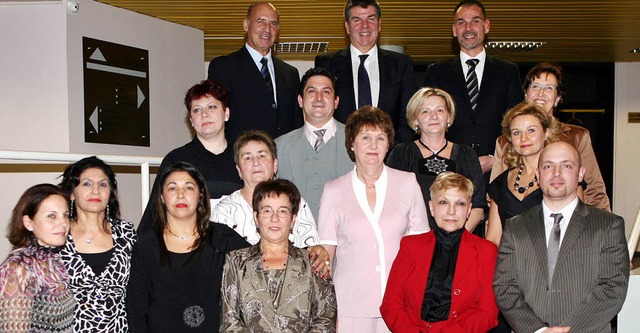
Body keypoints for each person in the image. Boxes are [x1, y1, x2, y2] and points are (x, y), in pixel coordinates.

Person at [493, 141, 629, 333]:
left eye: (566, 165)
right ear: (538, 175)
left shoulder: (608, 225)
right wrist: (538, 330)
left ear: (581, 173)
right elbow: (505, 287)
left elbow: (612, 287)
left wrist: (568, 331)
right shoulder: (515, 227)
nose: (556, 173)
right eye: (548, 166)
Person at [318, 106, 429, 333]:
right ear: (351, 143)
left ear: (388, 144)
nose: (373, 145)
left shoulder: (408, 183)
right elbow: (326, 257)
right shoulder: (333, 190)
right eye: (365, 137)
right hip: (350, 305)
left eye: (380, 138)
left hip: (400, 303)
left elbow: (422, 249)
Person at [127, 161, 250, 332]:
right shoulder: (146, 244)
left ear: (200, 194)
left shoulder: (223, 238)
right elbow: (136, 308)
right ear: (162, 197)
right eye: (172, 188)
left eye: (189, 187)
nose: (180, 194)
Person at [380, 172, 498, 332]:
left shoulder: (486, 251)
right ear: (431, 208)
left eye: (460, 204)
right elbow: (391, 305)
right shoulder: (410, 246)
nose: (451, 211)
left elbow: (487, 313)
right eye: (443, 202)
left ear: (469, 209)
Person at [491, 62, 611, 212]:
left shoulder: (577, 137)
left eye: (548, 88)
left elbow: (594, 190)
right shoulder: (505, 141)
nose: (540, 94)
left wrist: (602, 227)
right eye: (535, 86)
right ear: (526, 94)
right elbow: (496, 196)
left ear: (557, 98)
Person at [220, 179, 337, 331]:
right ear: (256, 217)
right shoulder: (236, 262)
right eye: (267, 211)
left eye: (282, 211)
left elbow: (325, 320)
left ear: (293, 219)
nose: (274, 219)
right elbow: (230, 324)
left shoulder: (314, 261)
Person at [424, 0, 522, 176]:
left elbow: (517, 122)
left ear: (486, 26)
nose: (468, 28)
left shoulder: (508, 71)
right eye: (461, 22)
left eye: (475, 21)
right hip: (449, 172)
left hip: (498, 173)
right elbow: (428, 122)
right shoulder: (437, 72)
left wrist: (497, 159)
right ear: (454, 29)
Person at [138, 79, 242, 232]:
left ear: (226, 113)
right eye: (197, 110)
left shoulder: (244, 158)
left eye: (212, 107)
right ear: (191, 121)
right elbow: (155, 216)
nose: (204, 115)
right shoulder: (176, 160)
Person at [315, 0, 417, 142]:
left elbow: (409, 115)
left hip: (389, 155)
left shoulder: (400, 64)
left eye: (371, 19)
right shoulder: (327, 64)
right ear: (347, 27)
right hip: (341, 153)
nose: (364, 26)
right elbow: (321, 114)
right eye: (357, 20)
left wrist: (396, 152)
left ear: (379, 24)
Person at [387, 87, 485, 231]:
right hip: (414, 241)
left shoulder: (467, 155)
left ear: (449, 117)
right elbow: (391, 204)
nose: (434, 116)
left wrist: (454, 242)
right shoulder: (401, 153)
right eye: (425, 111)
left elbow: (478, 208)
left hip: (459, 242)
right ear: (415, 119)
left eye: (440, 110)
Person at [58, 156, 136, 332]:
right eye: (86, 184)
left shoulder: (126, 232)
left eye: (103, 184)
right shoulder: (58, 235)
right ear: (71, 192)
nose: (96, 190)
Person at [208, 2, 302, 143]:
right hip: (241, 158)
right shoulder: (224, 67)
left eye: (273, 24)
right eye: (261, 21)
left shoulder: (290, 74)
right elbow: (215, 118)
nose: (267, 29)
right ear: (246, 25)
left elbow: (297, 126)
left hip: (283, 160)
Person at [275, 67, 354, 219]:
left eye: (326, 92)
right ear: (300, 100)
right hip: (294, 239)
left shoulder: (357, 141)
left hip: (346, 239)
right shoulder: (279, 147)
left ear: (336, 101)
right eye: (311, 91)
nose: (319, 97)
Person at [0, 184, 75, 332]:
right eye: (52, 216)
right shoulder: (18, 268)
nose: (63, 223)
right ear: (28, 223)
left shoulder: (55, 259)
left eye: (65, 215)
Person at [486, 102, 560, 246]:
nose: (523, 138)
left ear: (546, 133)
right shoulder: (500, 184)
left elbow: (575, 232)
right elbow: (493, 240)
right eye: (517, 132)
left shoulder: (564, 178)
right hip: (510, 264)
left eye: (531, 130)